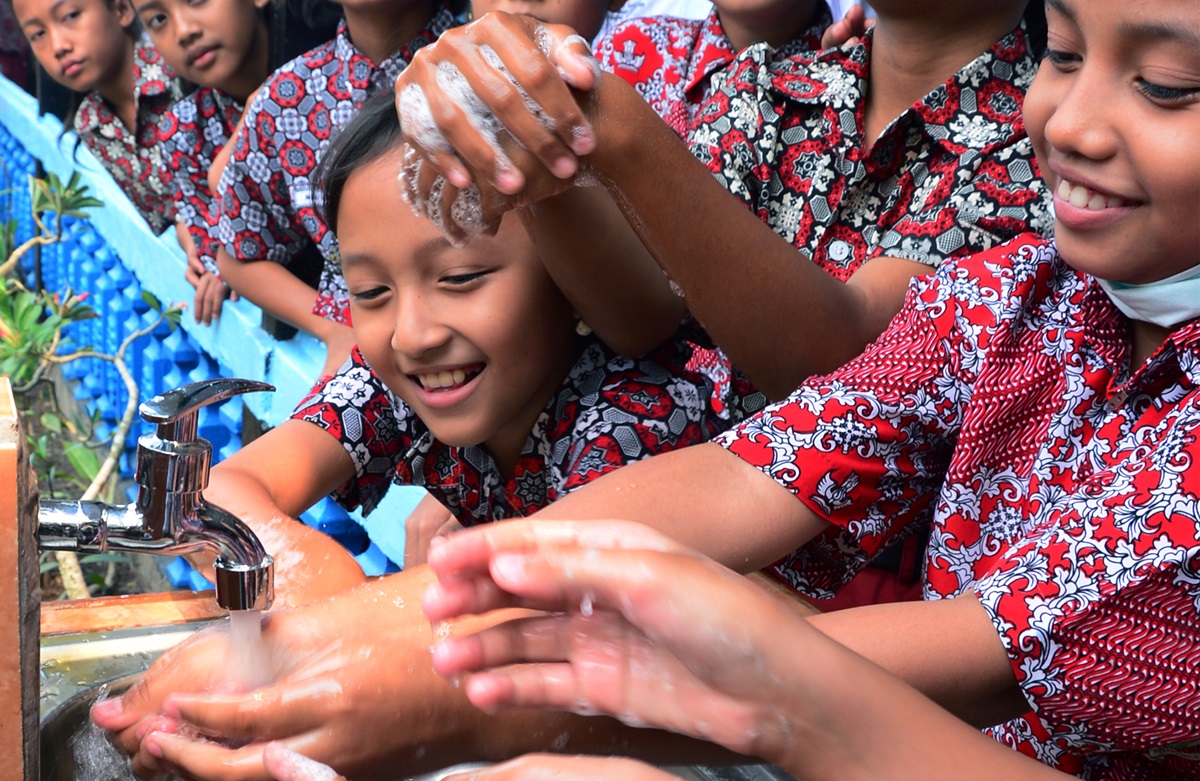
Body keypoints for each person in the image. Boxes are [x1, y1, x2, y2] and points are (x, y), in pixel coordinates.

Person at [90, 0, 1199, 778]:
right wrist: (387, 629)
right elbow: (743, 472)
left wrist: (443, 672)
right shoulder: (1015, 293)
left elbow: (892, 665)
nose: (1069, 122)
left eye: (1164, 84)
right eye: (1062, 54)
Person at [393, 0, 1049, 609]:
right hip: (659, 534)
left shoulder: (1045, 145)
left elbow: (844, 368)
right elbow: (642, 315)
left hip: (847, 621)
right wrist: (538, 145)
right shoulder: (767, 83)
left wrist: (612, 132)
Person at [178, 90, 724, 609]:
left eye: (460, 278)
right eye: (371, 293)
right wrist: (307, 572)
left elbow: (543, 616)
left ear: (573, 277)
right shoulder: (394, 378)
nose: (412, 334)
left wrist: (351, 613)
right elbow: (214, 493)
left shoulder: (634, 422)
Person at [213, 0, 455, 376]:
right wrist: (332, 324)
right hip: (362, 376)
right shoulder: (287, 97)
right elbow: (238, 253)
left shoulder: (489, 71)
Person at [135, 0, 273, 324]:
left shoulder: (332, 80)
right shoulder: (181, 134)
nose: (184, 31)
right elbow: (222, 257)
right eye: (158, 18)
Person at [11, 0, 184, 233]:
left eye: (71, 15)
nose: (58, 46)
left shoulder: (184, 73)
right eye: (38, 33)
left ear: (121, 9)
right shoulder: (91, 127)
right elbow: (166, 224)